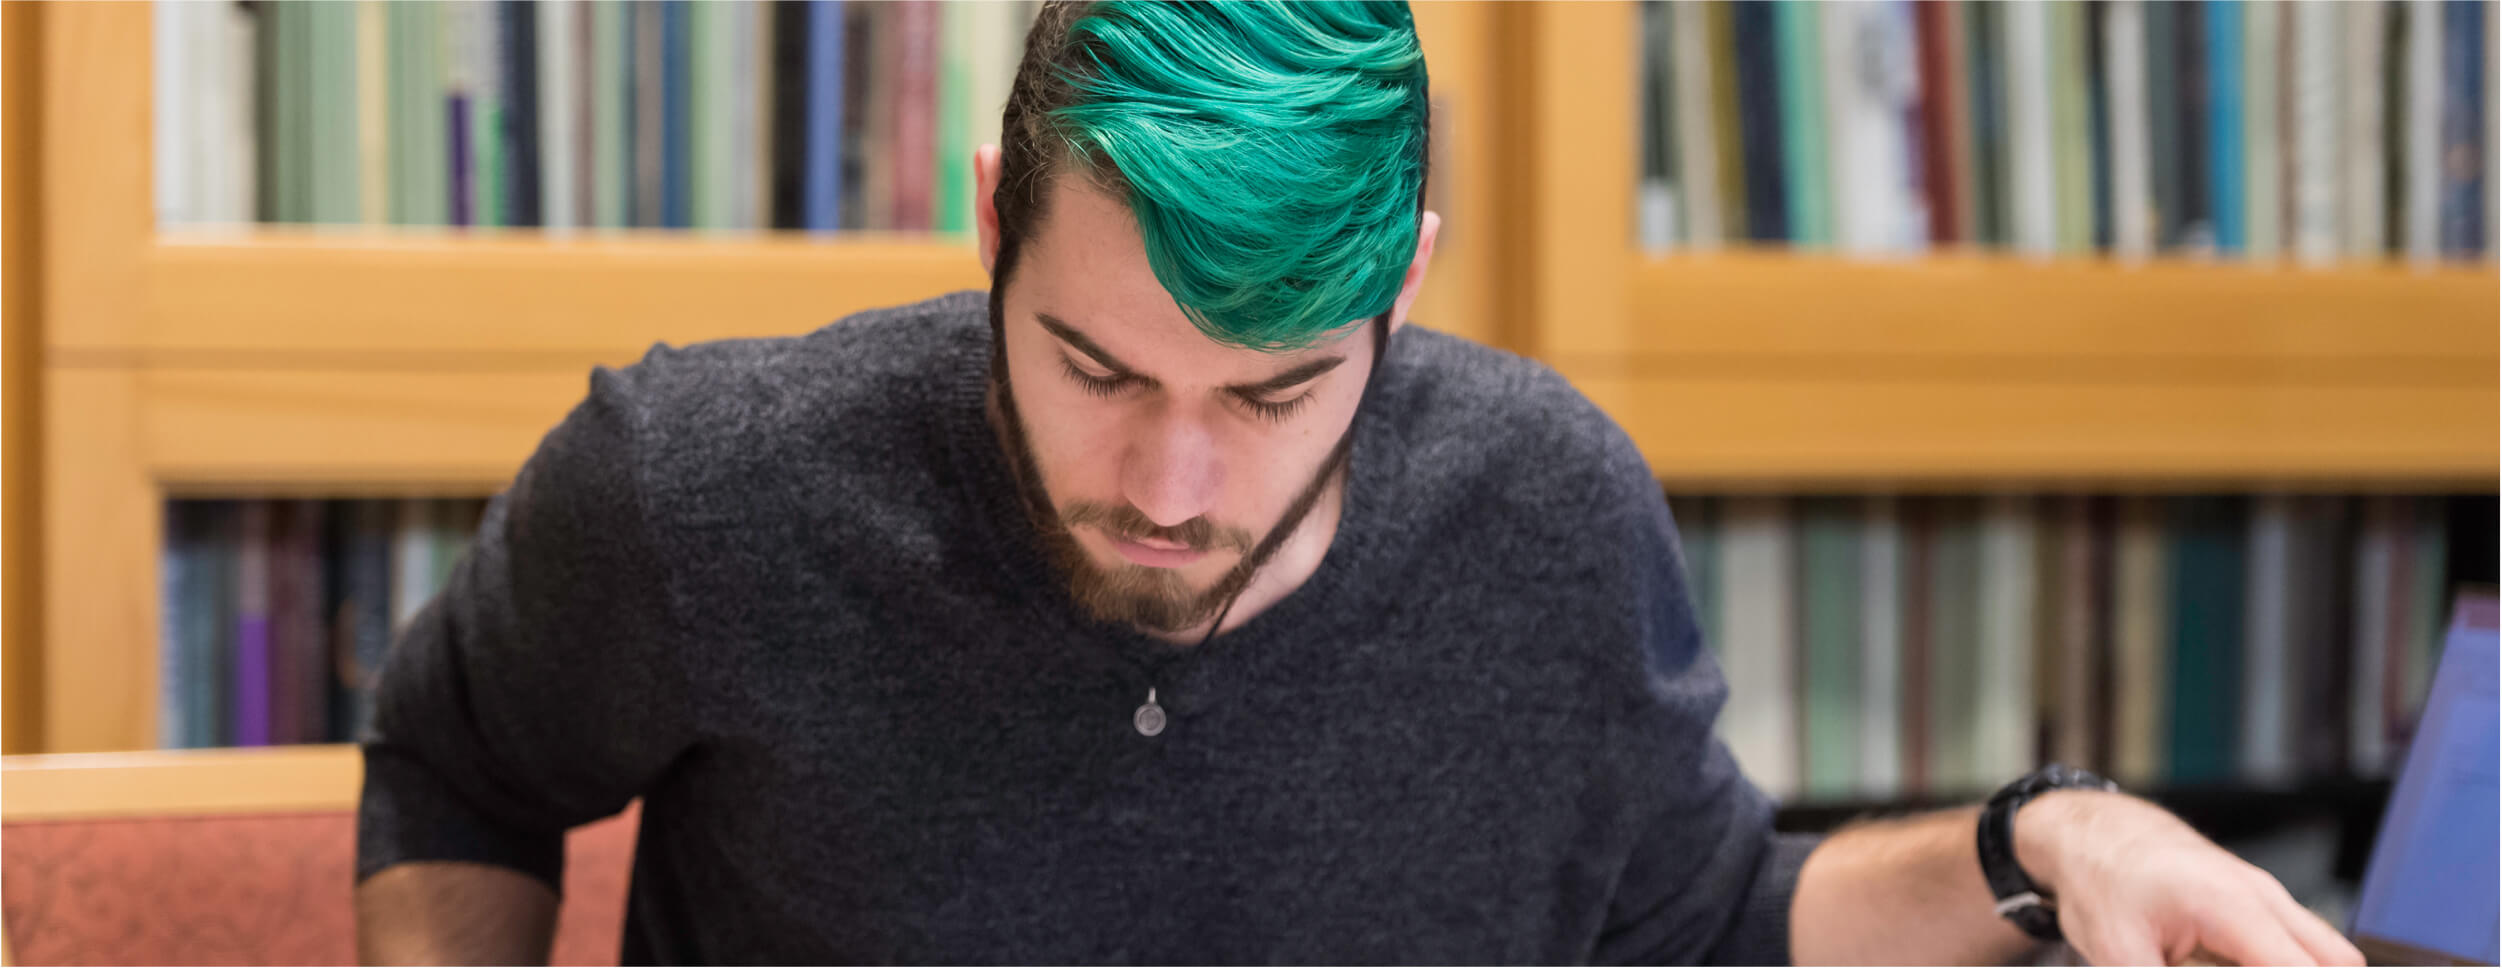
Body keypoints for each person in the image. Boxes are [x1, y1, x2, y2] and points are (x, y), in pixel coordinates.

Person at [354, 3, 2363, 964]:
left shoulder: (1544, 514)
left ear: (1400, 290)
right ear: (988, 223)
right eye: (1097, 363)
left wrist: (2057, 837)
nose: (1170, 477)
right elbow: (460, 762)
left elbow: (1713, 921)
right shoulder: (709, 489)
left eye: (1277, 390)